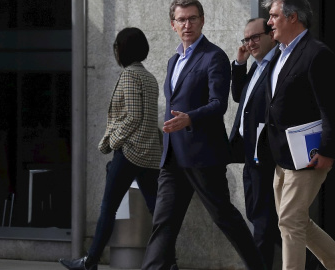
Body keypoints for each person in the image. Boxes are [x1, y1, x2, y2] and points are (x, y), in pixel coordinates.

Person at [140, 1, 266, 269]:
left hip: (202, 155)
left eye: (193, 19)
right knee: (163, 223)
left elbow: (218, 103)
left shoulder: (214, 56)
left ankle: (259, 266)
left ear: (202, 20)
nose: (187, 25)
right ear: (173, 25)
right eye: (182, 20)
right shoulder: (174, 60)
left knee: (225, 218)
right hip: (173, 157)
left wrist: (190, 118)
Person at [58, 27, 162, 270]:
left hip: (130, 152)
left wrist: (112, 141)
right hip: (150, 154)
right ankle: (169, 262)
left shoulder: (129, 76)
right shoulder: (149, 77)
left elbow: (134, 116)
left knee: (108, 208)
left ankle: (90, 262)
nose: (115, 51)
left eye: (117, 47)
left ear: (123, 50)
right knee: (157, 211)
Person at [261, 0, 335, 269]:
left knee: (290, 222)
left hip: (309, 155)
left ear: (292, 18)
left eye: (273, 16)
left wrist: (327, 151)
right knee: (296, 220)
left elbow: (330, 107)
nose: (269, 21)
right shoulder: (279, 53)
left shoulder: (317, 54)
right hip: (282, 155)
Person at [228, 18, 280, 269]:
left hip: (265, 153)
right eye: (246, 39)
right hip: (249, 153)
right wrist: (240, 63)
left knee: (262, 221)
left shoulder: (278, 63)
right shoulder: (257, 65)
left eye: (255, 37)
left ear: (271, 34)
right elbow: (239, 96)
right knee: (261, 218)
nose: (250, 43)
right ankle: (313, 259)